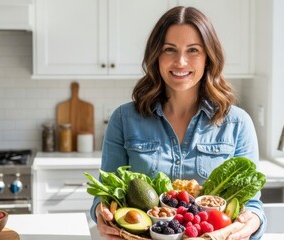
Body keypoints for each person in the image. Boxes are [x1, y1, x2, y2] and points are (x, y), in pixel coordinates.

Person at [90, 6, 266, 240]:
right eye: (169, 50)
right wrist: (102, 215)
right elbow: (105, 198)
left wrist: (251, 221)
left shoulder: (237, 123)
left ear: (208, 57)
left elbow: (251, 204)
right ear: (156, 56)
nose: (181, 61)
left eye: (193, 50)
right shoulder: (123, 119)